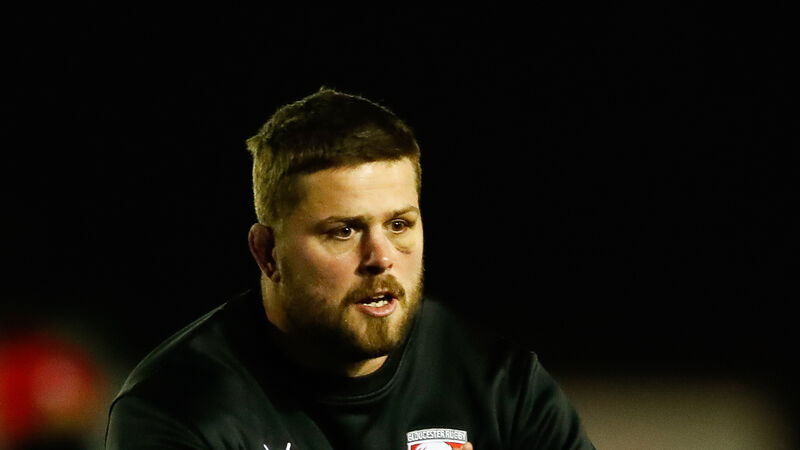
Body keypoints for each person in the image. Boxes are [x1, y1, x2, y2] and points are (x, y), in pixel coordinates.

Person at [105, 88, 595, 449]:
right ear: (267, 254)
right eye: (343, 231)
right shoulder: (177, 409)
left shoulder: (500, 387)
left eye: (399, 225)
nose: (381, 257)